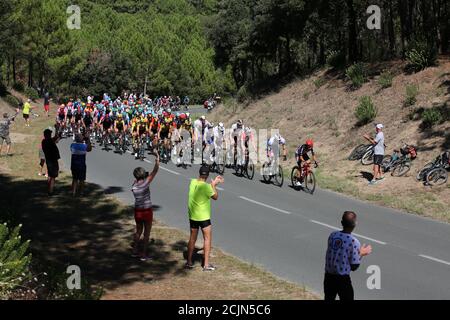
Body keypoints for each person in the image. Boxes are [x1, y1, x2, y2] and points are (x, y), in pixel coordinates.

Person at [324, 211, 372, 301]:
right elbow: (354, 266)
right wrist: (361, 253)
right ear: (355, 224)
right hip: (342, 280)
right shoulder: (353, 241)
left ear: (341, 222)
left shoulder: (332, 235)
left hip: (328, 277)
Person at [186, 165, 224, 271]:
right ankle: (206, 265)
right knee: (207, 239)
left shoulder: (192, 182)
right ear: (207, 175)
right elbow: (216, 197)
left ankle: (189, 262)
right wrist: (214, 185)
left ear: (199, 173)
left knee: (192, 238)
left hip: (193, 215)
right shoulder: (207, 187)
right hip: (204, 217)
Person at [131, 153, 160, 261]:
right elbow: (155, 171)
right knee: (147, 233)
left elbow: (140, 179)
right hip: (147, 210)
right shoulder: (146, 183)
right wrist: (157, 159)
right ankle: (143, 254)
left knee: (138, 231)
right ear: (143, 175)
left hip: (137, 210)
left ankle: (134, 250)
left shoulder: (134, 185)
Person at [42, 128, 61, 196]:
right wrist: (57, 129)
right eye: (50, 134)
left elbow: (56, 138)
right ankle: (50, 191)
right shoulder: (49, 141)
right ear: (47, 135)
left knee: (50, 175)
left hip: (49, 160)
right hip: (53, 160)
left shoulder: (44, 141)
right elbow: (56, 138)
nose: (50, 134)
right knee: (53, 176)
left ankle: (49, 188)